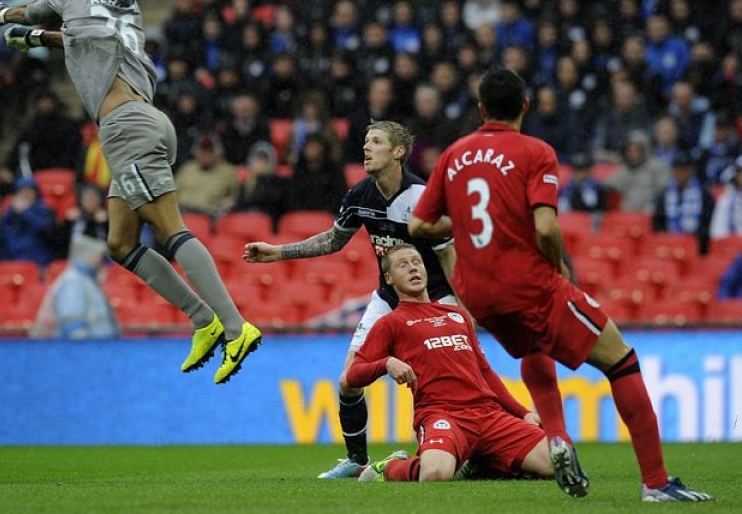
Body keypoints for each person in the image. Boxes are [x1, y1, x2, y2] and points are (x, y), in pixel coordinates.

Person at [410, 68, 712, 502]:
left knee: (534, 347)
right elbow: (547, 227)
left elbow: (420, 223)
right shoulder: (536, 151)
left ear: (480, 110)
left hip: (478, 295)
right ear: (526, 106)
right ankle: (656, 483)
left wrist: (468, 222)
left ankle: (556, 437)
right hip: (527, 283)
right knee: (621, 360)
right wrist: (559, 267)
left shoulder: (454, 154)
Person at [0, 0, 260, 384]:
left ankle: (235, 326)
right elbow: (80, 39)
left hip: (126, 128)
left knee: (170, 229)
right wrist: (37, 38)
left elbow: (31, 7)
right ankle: (202, 320)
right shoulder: (130, 14)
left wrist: (2, 14)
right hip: (147, 121)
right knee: (120, 241)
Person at [244, 121, 459, 479]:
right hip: (389, 297)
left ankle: (457, 451)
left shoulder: (422, 198)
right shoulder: (360, 195)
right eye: (364, 141)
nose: (366, 147)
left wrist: (462, 313)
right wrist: (277, 253)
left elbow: (450, 257)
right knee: (348, 380)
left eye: (376, 141)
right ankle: (357, 459)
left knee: (452, 384)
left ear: (399, 152)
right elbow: (333, 241)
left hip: (434, 298)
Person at [347, 243, 554, 484]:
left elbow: (485, 371)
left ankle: (481, 461)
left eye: (417, 262)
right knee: (435, 475)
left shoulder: (457, 314)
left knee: (555, 463)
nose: (413, 268)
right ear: (389, 278)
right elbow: (353, 376)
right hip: (443, 415)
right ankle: (390, 467)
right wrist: (386, 364)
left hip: (489, 415)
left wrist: (523, 413)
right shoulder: (390, 323)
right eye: (403, 265)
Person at [30, 234, 117, 339]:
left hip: (100, 350)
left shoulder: (86, 280)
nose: (102, 261)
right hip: (88, 352)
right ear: (87, 255)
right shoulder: (72, 282)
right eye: (99, 256)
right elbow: (73, 328)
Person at [652, 151, 714, 254]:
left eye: (685, 169)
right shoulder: (663, 195)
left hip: (696, 247)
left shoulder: (704, 194)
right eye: (678, 169)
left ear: (691, 170)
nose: (681, 173)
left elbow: (707, 223)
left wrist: (691, 242)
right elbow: (658, 224)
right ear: (673, 171)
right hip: (669, 245)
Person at [0, 176, 57, 268]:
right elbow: (2, 242)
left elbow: (47, 232)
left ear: (36, 194)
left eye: (29, 192)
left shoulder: (45, 211)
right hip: (11, 263)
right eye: (22, 192)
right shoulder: (9, 215)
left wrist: (25, 212)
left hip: (38, 263)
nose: (26, 195)